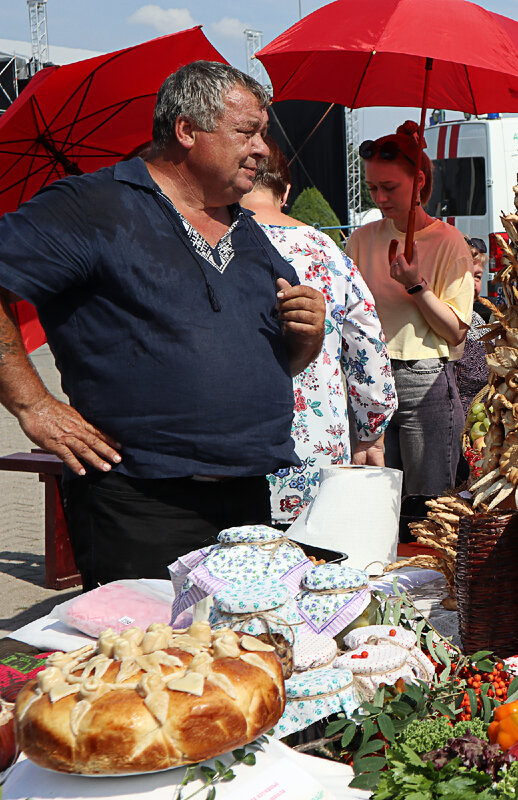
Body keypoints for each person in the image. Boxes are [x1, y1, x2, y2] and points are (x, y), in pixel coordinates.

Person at [0, 61, 326, 587]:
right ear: (187, 131)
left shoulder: (247, 228)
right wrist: (32, 404)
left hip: (245, 498)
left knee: (238, 656)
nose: (264, 150)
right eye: (247, 132)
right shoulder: (92, 206)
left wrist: (307, 337)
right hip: (139, 501)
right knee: (147, 662)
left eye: (263, 134)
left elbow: (279, 359)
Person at [242, 138, 397, 523]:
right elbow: (366, 345)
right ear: (286, 191)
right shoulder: (324, 250)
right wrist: (371, 429)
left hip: (232, 456)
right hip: (315, 452)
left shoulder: (216, 244)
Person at [347, 122, 474, 498]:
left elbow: (456, 332)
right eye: (372, 188)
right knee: (375, 501)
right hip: (369, 376)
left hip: (426, 379)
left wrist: (417, 285)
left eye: (389, 187)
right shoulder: (361, 238)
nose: (379, 198)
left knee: (426, 504)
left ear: (419, 181)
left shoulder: (450, 241)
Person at [455, 237, 490, 409]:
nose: (473, 284)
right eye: (466, 275)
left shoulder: (476, 318)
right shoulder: (442, 319)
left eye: (477, 277)